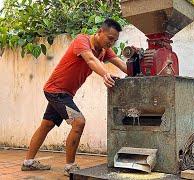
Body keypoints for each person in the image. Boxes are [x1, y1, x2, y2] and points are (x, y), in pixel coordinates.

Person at [21, 18, 127, 176]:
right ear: (99, 32)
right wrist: (105, 74)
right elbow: (90, 60)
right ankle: (70, 167)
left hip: (63, 94)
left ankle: (28, 162)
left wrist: (139, 73)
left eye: (115, 40)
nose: (111, 42)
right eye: (110, 38)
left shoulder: (104, 50)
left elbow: (119, 62)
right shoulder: (82, 40)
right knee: (78, 122)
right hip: (56, 92)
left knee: (47, 125)